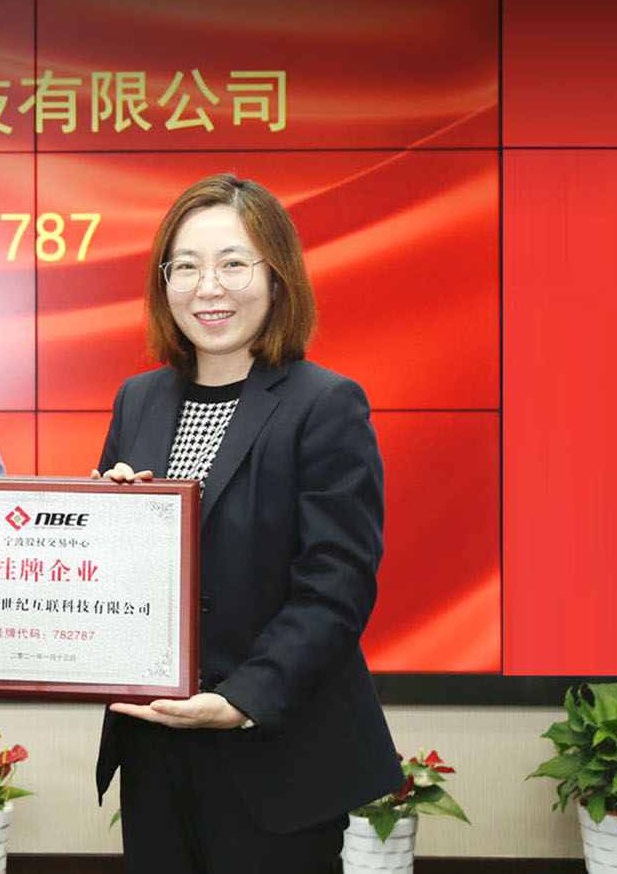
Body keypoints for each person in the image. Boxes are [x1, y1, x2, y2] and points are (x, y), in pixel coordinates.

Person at [92, 174, 402, 872]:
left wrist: (240, 699)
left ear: (277, 275)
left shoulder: (326, 404)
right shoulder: (138, 399)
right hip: (155, 751)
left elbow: (337, 586)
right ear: (163, 283)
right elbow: (115, 580)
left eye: (233, 263)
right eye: (186, 267)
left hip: (277, 753)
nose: (209, 288)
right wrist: (103, 526)